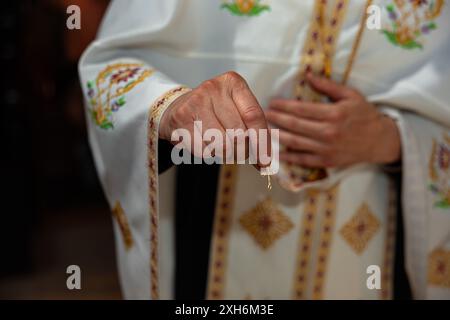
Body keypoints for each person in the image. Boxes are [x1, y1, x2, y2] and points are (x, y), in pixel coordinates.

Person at [79, 0, 450, 299]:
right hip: (209, 231)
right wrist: (172, 107)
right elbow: (110, 68)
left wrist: (390, 138)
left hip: (370, 239)